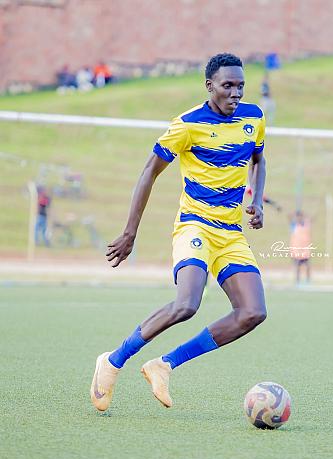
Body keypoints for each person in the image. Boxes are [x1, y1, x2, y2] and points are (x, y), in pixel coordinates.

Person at [91, 53, 268, 412]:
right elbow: (149, 172)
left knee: (253, 312)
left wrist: (258, 200)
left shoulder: (254, 118)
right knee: (187, 304)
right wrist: (130, 232)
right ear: (209, 86)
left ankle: (165, 364)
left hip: (231, 233)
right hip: (195, 225)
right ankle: (113, 361)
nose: (235, 93)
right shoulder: (187, 125)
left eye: (240, 86)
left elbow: (259, 160)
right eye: (228, 85)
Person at [289, 210, 312, 284]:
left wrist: (304, 215)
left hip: (305, 250)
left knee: (307, 266)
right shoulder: (294, 225)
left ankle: (308, 281)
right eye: (298, 217)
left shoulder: (306, 224)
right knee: (297, 266)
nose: (299, 218)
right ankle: (297, 281)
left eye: (300, 216)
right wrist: (294, 214)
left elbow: (311, 219)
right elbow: (289, 217)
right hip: (296, 250)